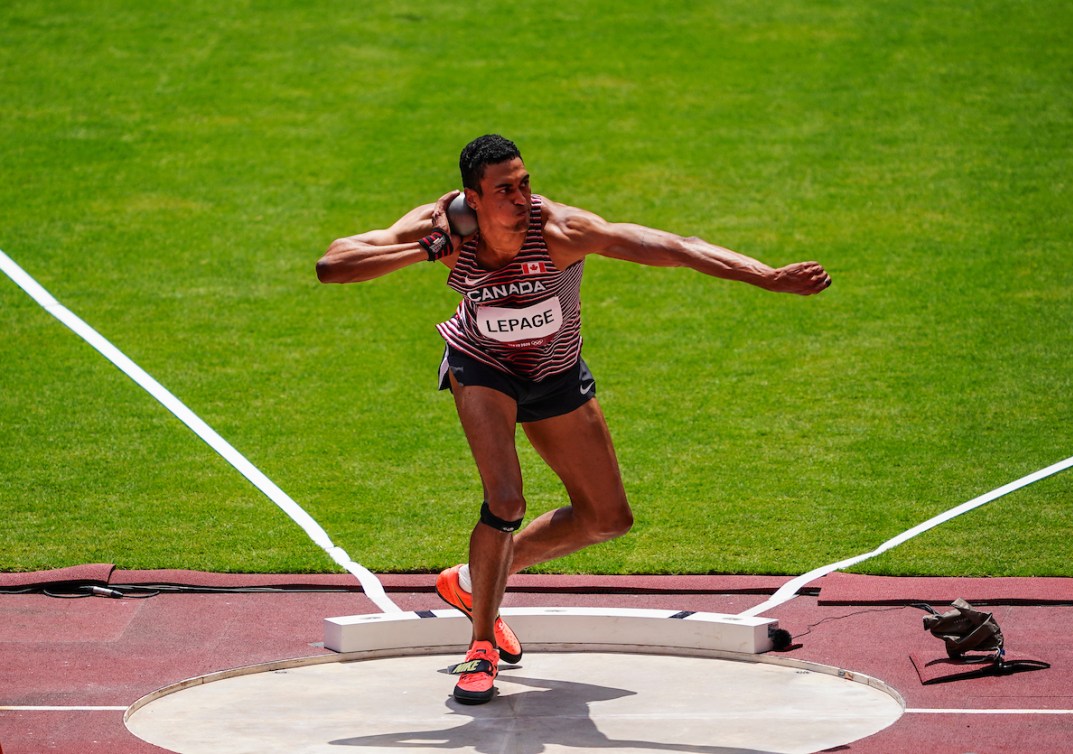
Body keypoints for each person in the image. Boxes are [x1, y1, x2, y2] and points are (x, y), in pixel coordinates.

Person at [317, 134, 831, 704]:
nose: (521, 198)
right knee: (505, 501)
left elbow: (675, 246)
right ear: (473, 197)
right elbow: (332, 265)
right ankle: (481, 646)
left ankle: (469, 581)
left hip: (555, 371)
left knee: (607, 518)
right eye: (504, 190)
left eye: (525, 183)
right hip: (482, 367)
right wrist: (429, 249)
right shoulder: (438, 225)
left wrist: (766, 275)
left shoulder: (559, 230)